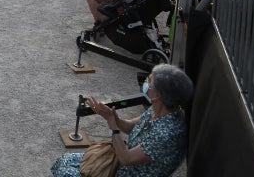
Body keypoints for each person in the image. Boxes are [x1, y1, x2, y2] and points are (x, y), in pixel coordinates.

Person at [51, 64, 193, 177]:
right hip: (119, 166)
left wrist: (112, 124)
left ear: (157, 95)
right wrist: (113, 117)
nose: (145, 83)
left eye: (149, 81)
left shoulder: (167, 134)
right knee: (64, 161)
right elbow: (131, 126)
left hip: (125, 170)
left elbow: (126, 159)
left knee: (65, 172)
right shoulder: (160, 109)